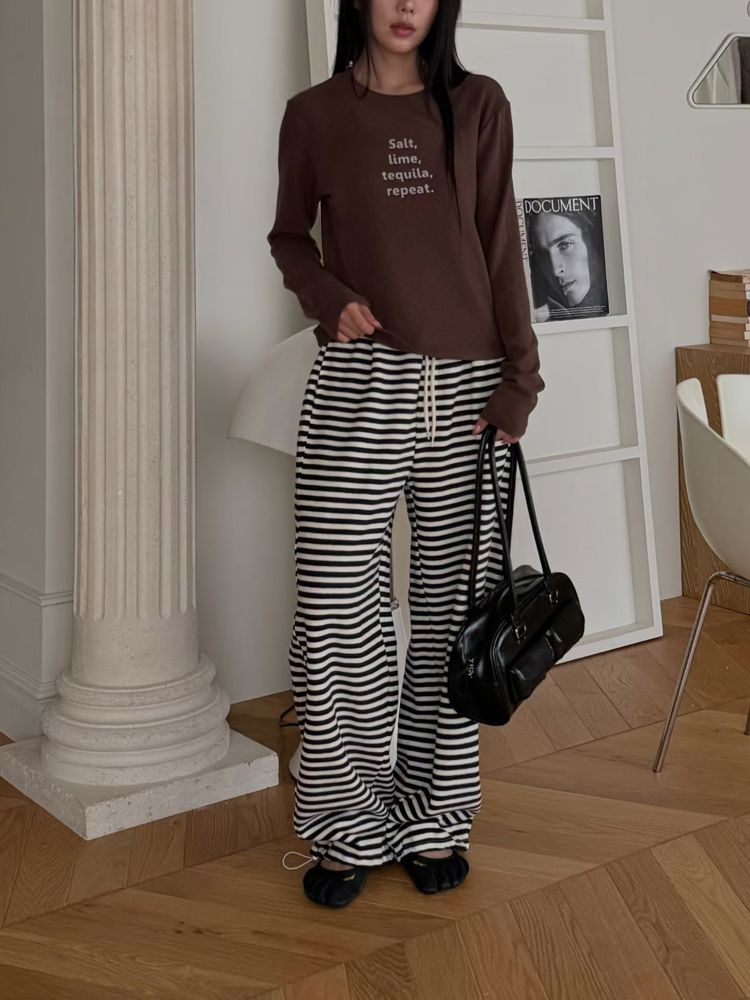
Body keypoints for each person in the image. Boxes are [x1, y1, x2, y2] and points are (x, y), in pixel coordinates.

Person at [266, 0, 545, 908]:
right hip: (359, 386)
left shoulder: (479, 104)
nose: (404, 4)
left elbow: (502, 242)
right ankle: (347, 826)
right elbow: (288, 237)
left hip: (469, 395)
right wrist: (327, 298)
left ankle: (432, 819)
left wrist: (522, 380)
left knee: (452, 614)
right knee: (336, 611)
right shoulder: (314, 114)